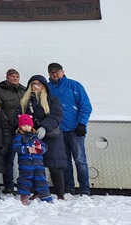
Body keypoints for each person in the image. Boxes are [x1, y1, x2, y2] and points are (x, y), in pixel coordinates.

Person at [19, 75, 67, 200]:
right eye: (33, 84)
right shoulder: (26, 101)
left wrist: (45, 126)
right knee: (35, 167)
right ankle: (38, 191)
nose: (35, 86)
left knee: (55, 166)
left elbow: (57, 115)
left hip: (52, 137)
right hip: (34, 137)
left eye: (38, 84)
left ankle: (60, 193)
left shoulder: (52, 99)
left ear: (44, 86)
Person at [48, 62, 93, 196]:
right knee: (65, 160)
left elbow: (85, 106)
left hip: (75, 130)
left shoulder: (74, 86)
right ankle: (69, 187)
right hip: (58, 131)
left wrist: (82, 124)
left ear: (62, 72)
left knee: (80, 160)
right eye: (51, 72)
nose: (55, 74)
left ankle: (84, 188)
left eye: (57, 71)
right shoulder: (48, 88)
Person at [0, 68, 26, 194]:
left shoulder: (24, 90)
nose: (15, 78)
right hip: (10, 131)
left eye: (17, 76)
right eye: (12, 76)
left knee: (27, 160)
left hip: (25, 130)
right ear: (7, 77)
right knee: (8, 161)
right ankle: (9, 185)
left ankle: (25, 185)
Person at [13, 113, 52, 204]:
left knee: (41, 180)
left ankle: (46, 197)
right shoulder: (19, 137)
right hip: (26, 165)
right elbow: (17, 147)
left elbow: (45, 147)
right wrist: (27, 149)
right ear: (20, 127)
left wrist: (40, 149)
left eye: (28, 126)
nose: (27, 128)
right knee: (25, 180)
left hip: (38, 164)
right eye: (24, 126)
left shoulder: (36, 137)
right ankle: (24, 195)